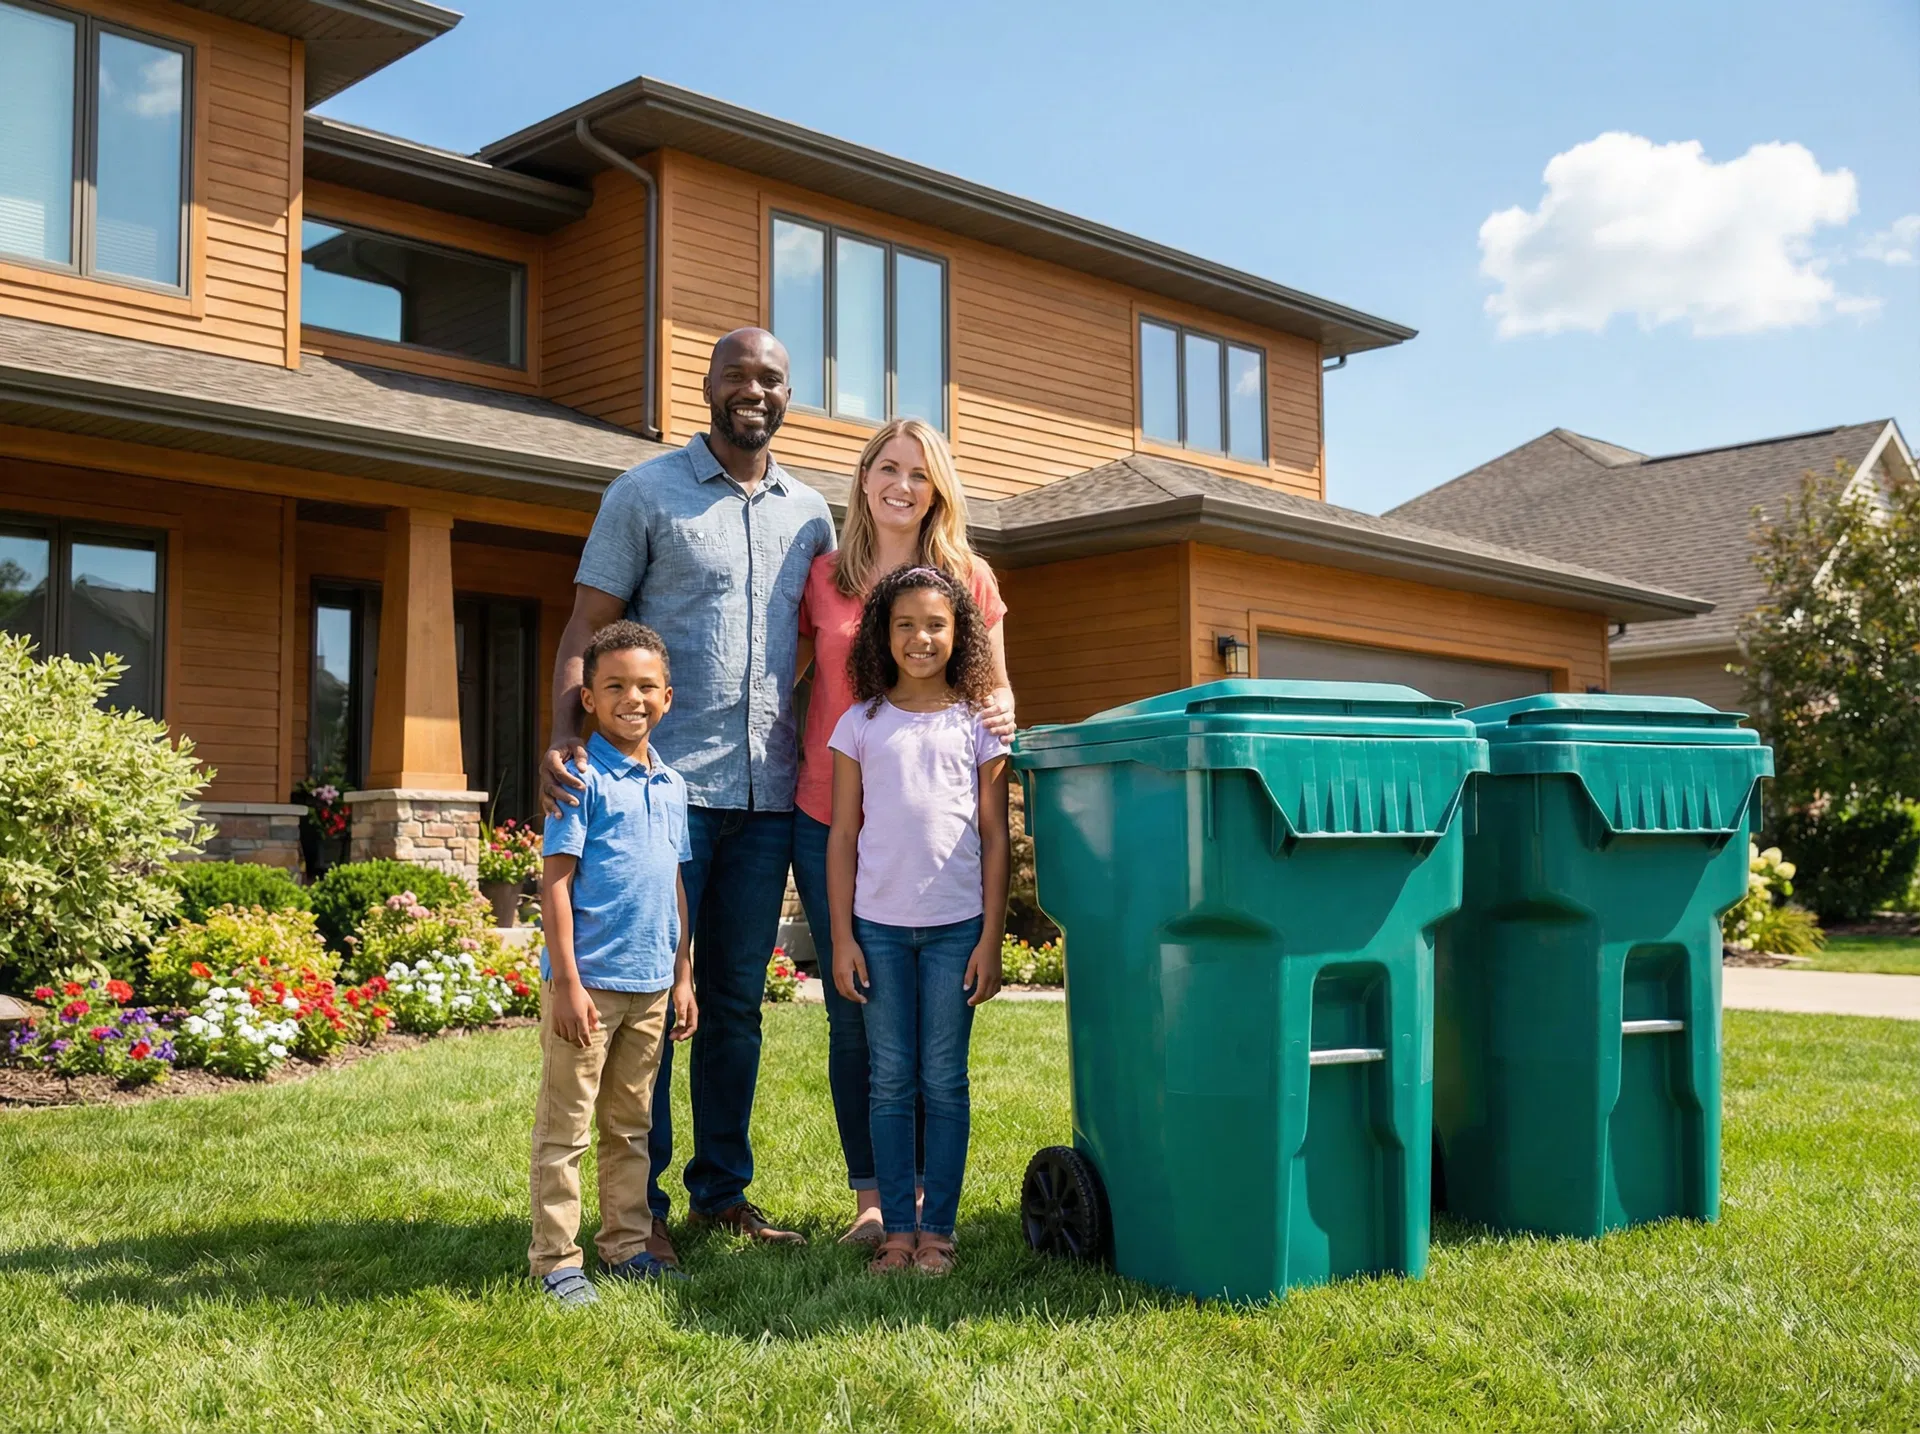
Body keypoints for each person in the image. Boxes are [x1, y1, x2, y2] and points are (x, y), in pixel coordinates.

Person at [541, 329, 834, 1259]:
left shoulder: (813, 515)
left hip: (767, 799)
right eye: (739, 375)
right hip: (657, 796)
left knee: (736, 1004)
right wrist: (561, 735)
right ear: (707, 387)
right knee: (653, 1002)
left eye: (772, 378)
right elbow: (587, 629)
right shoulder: (644, 494)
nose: (755, 390)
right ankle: (645, 1209)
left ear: (790, 395)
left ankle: (722, 1194)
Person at [791, 417, 1015, 1245]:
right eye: (887, 467)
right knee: (854, 1018)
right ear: (863, 478)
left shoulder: (969, 578)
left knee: (934, 1049)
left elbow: (997, 693)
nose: (902, 484)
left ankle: (930, 1204)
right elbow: (785, 679)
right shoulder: (824, 575)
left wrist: (1005, 718)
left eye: (919, 473)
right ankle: (874, 1200)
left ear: (938, 488)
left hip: (940, 835)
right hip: (830, 809)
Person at [826, 565, 1010, 1275]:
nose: (920, 637)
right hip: (876, 927)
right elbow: (843, 836)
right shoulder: (860, 724)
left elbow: (996, 836)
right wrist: (841, 937)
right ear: (883, 634)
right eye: (904, 624)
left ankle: (940, 1233)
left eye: (935, 623)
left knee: (944, 1079)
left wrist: (990, 939)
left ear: (960, 632)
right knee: (891, 1080)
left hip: (955, 928)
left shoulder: (976, 725)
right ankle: (896, 1232)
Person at [530, 621, 698, 1305]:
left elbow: (677, 885)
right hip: (589, 988)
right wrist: (567, 983)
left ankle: (626, 1245)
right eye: (616, 686)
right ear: (589, 700)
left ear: (668, 698)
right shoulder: (581, 778)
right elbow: (555, 882)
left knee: (632, 1127)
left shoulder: (674, 785)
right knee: (566, 1128)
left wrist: (685, 975)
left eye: (647, 686)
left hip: (653, 986)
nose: (633, 697)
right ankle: (555, 1261)